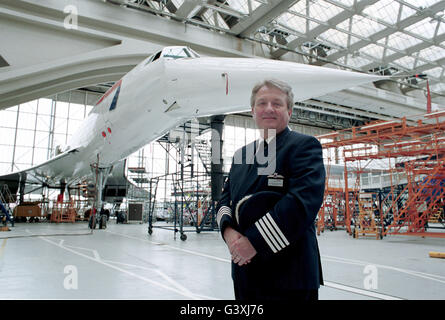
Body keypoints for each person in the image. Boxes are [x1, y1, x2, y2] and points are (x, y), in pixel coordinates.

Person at [216, 79, 325, 300]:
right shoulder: (241, 155)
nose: (268, 109)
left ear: (289, 111)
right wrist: (229, 234)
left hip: (289, 275)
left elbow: (301, 204)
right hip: (245, 271)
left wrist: (253, 242)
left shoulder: (303, 146)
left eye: (277, 103)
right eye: (261, 103)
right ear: (253, 111)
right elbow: (224, 200)